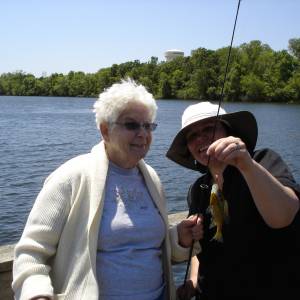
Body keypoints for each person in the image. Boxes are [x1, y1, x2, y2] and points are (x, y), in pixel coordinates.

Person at [12, 79, 202, 300]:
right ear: (105, 130)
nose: (143, 133)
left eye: (148, 125)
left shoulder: (152, 178)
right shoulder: (70, 176)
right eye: (131, 125)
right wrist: (37, 294)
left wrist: (178, 237)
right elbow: (31, 252)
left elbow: (146, 246)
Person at [166, 101, 300, 300]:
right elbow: (200, 245)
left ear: (229, 133)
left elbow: (283, 216)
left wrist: (246, 164)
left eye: (209, 128)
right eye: (192, 135)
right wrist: (193, 279)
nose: (201, 138)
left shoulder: (263, 161)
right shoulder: (198, 190)